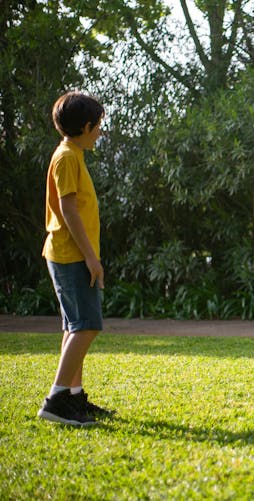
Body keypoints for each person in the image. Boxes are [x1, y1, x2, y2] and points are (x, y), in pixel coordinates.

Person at [37, 91, 114, 426]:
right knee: (87, 325)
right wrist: (91, 258)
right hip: (71, 255)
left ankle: (73, 397)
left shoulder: (73, 154)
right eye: (98, 126)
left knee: (75, 325)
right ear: (85, 126)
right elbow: (68, 210)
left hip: (70, 254)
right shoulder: (68, 156)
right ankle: (55, 400)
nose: (100, 131)